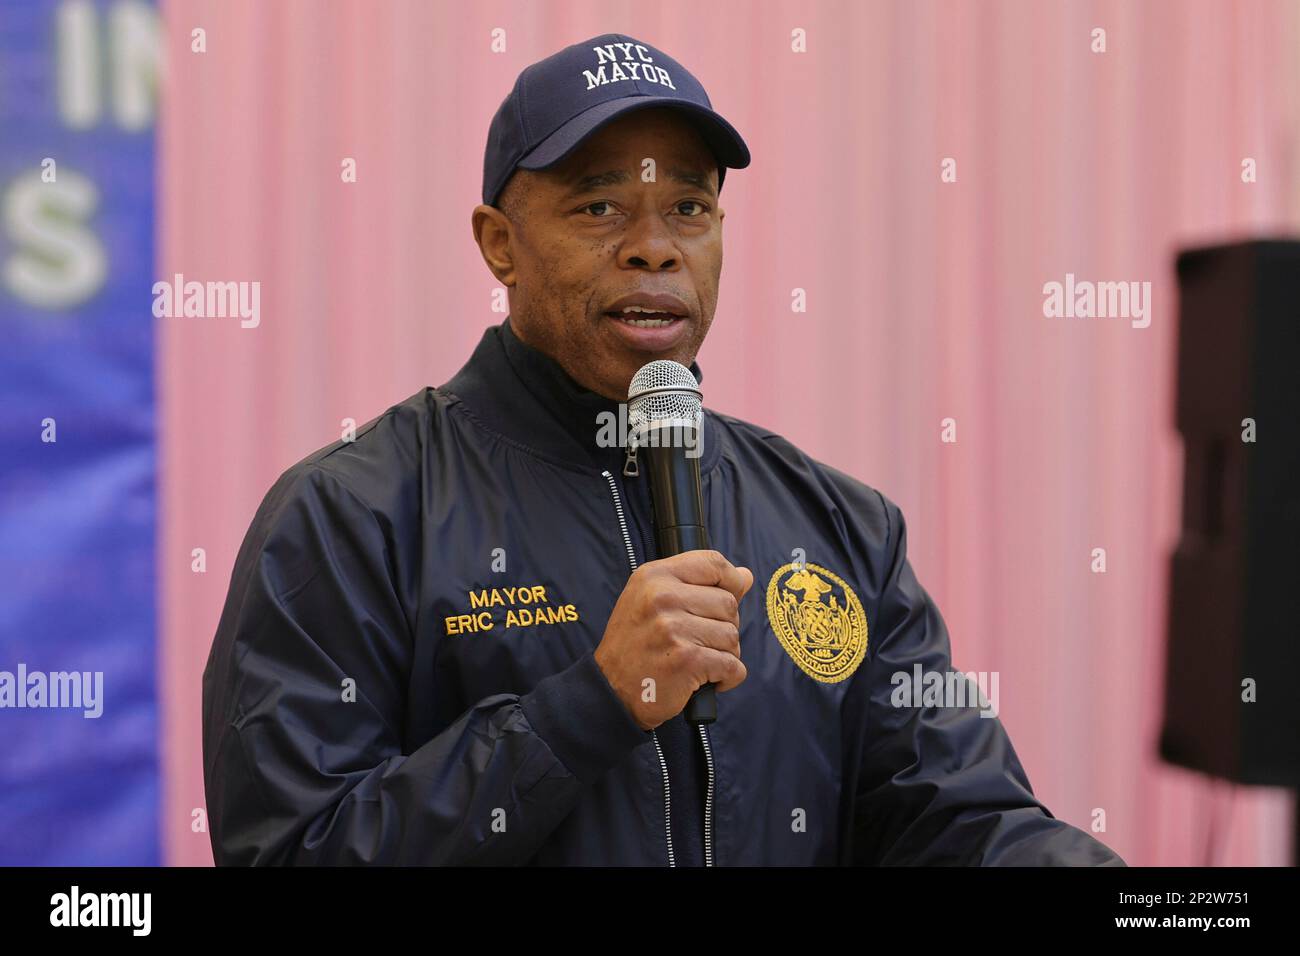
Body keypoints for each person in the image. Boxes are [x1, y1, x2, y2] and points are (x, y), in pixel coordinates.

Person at [201, 32, 1125, 866]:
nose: (654, 249)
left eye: (689, 207)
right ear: (499, 245)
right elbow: (290, 852)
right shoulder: (351, 514)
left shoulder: (839, 524)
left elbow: (956, 819)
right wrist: (588, 708)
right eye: (600, 206)